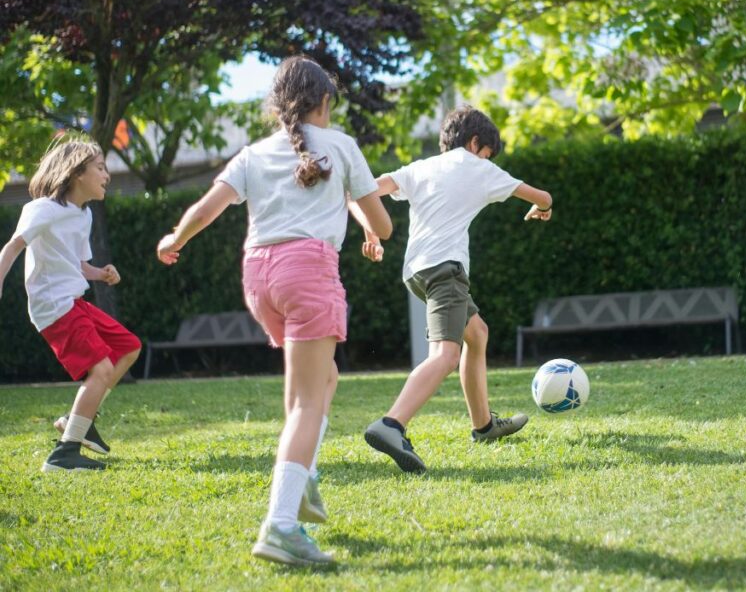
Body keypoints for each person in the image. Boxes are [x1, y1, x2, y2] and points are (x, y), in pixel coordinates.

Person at [156, 56, 392, 566]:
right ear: (324, 101)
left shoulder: (255, 152)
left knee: (319, 380)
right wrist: (372, 227)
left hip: (259, 278)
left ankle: (301, 477)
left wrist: (175, 237)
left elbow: (207, 208)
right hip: (308, 272)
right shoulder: (342, 146)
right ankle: (282, 525)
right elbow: (384, 224)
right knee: (311, 399)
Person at [362, 106, 552, 473]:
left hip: (416, 271)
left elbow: (372, 189)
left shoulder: (421, 167)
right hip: (445, 270)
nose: (487, 160)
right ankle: (391, 425)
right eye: (486, 153)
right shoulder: (478, 166)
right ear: (476, 142)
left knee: (477, 333)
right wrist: (542, 209)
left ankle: (483, 426)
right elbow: (542, 196)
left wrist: (371, 230)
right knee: (445, 356)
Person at [0, 138, 141, 472]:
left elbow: (77, 264)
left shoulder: (84, 214)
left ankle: (80, 418)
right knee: (102, 368)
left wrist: (100, 273)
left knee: (128, 347)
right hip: (53, 305)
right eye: (101, 167)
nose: (108, 174)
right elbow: (12, 248)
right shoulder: (42, 209)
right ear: (77, 172)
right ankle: (64, 455)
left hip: (73, 300)